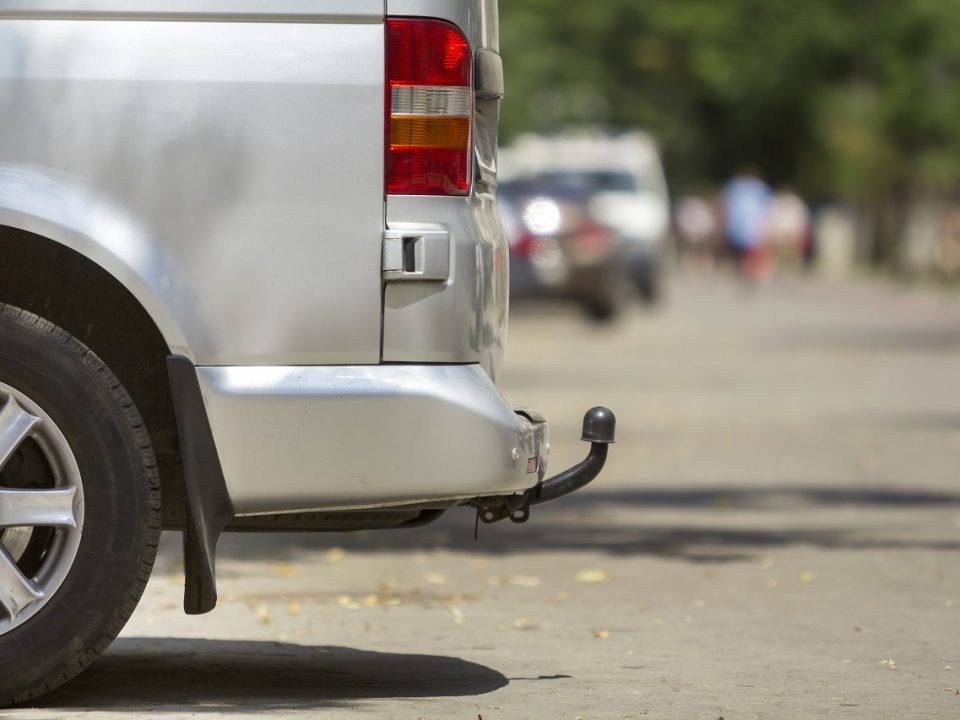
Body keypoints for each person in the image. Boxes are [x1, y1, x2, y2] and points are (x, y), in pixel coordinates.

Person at [722, 167, 773, 279]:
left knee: (742, 252)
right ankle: (753, 273)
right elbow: (768, 208)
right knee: (753, 251)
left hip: (738, 226)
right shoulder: (761, 187)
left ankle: (745, 272)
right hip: (754, 226)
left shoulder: (733, 187)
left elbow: (726, 206)